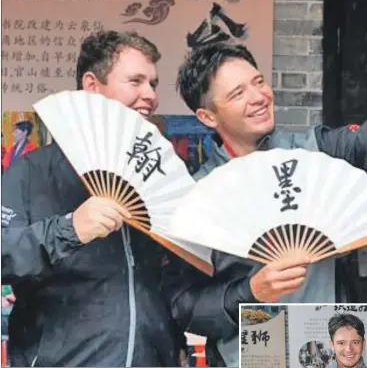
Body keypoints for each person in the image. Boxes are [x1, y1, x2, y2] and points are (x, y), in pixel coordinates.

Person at [162, 21, 367, 366]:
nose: (258, 97)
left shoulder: (315, 152)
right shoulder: (198, 197)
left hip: (332, 343)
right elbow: (184, 305)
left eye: (258, 82)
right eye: (237, 93)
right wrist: (250, 292)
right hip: (256, 350)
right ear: (207, 115)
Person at [1, 30, 226, 367]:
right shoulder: (32, 172)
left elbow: (173, 282)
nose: (149, 95)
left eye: (153, 83)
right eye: (135, 81)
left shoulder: (159, 177)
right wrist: (69, 228)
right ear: (92, 85)